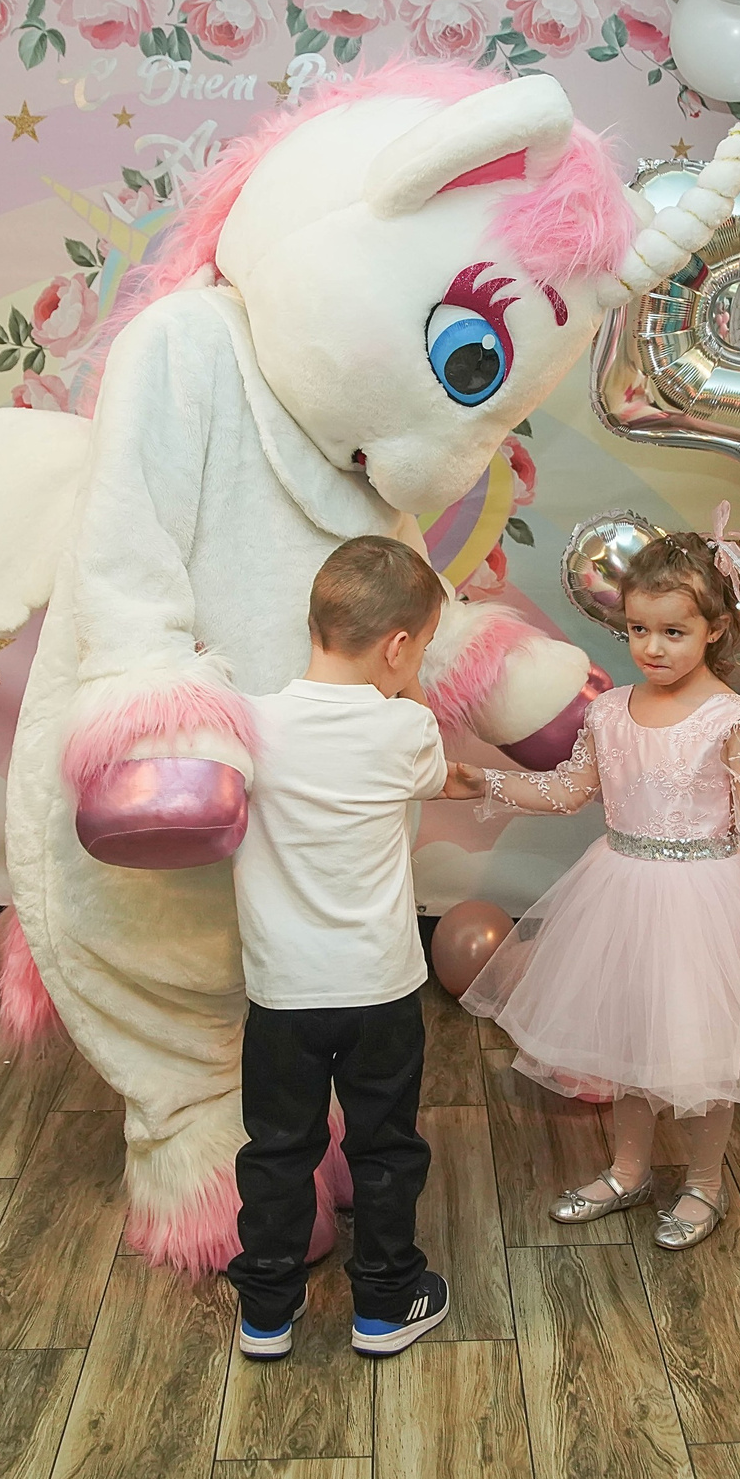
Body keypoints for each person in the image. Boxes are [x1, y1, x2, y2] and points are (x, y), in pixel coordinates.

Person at [442, 523, 740, 1250]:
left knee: (702, 1049)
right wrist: (491, 780)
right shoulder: (608, 712)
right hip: (621, 893)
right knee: (631, 1042)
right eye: (639, 628)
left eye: (674, 631)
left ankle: (704, 1183)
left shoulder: (730, 720)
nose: (652, 647)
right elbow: (572, 790)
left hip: (705, 901)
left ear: (715, 630)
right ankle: (628, 1168)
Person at [227, 535, 452, 1360]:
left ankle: (266, 1313)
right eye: (417, 648)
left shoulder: (248, 724)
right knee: (385, 1148)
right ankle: (386, 1307)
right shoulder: (407, 732)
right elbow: (429, 765)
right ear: (397, 646)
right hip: (379, 989)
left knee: (278, 1149)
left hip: (282, 993)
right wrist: (408, 685)